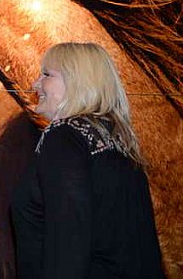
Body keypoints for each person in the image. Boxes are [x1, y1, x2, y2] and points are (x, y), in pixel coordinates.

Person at [11, 42, 165, 279]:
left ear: (77, 81)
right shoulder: (118, 140)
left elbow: (68, 241)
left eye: (47, 74)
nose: (35, 84)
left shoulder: (65, 136)